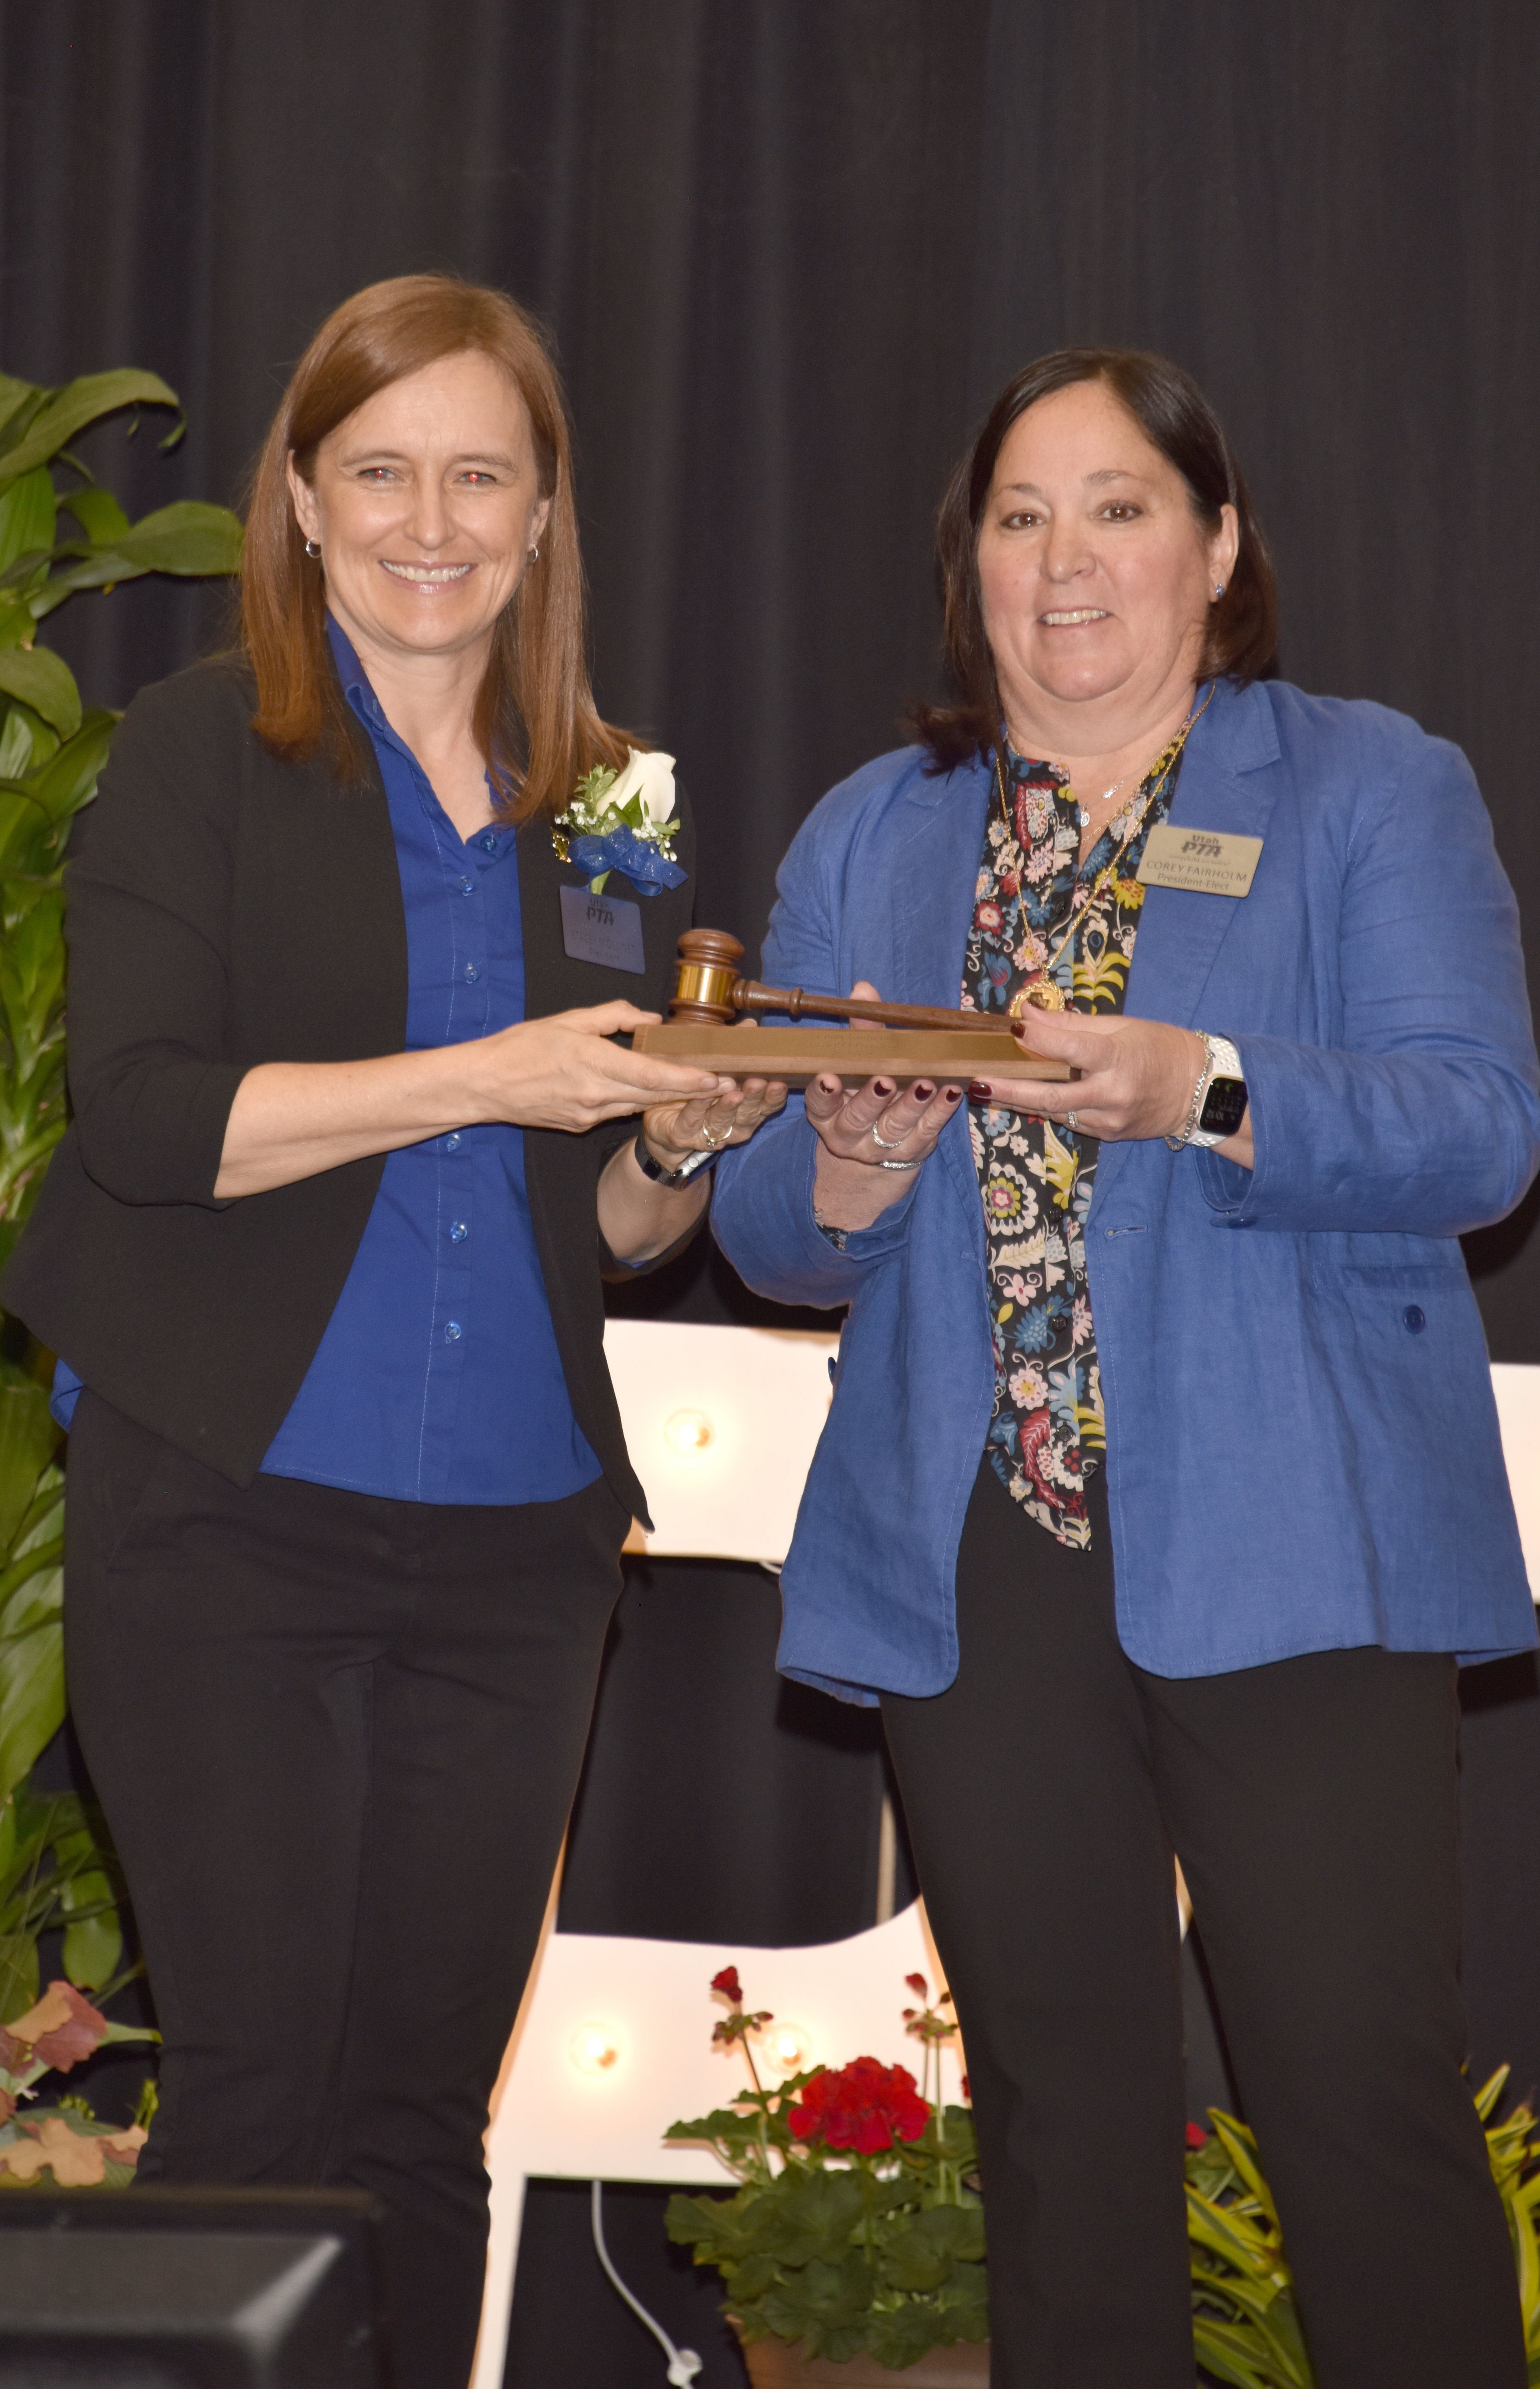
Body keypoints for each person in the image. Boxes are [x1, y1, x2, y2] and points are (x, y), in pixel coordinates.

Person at [710, 348, 1540, 2389]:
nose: (1063, 560)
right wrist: (845, 1163)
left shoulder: (1368, 785)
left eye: (1118, 507)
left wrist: (1210, 1083)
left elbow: (1480, 1127)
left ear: (1218, 543)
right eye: (1018, 515)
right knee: (1066, 2133)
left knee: (1359, 2108)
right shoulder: (876, 834)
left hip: (1299, 1534)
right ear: (969, 564)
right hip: (982, 1555)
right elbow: (760, 1234)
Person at [0, 275, 784, 2389]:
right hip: (224, 1518)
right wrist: (488, 1071)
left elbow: (605, 1217)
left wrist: (684, 1142)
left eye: (479, 475)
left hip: (520, 1546)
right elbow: (152, 1128)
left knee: (427, 2129)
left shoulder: (619, 797)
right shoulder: (189, 746)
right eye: (380, 470)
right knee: (258, 2105)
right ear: (300, 496)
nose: (428, 519)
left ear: (542, 519)